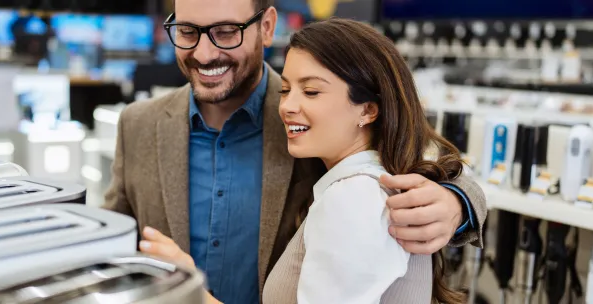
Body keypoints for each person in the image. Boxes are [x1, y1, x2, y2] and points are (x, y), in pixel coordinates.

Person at [103, 0, 487, 303]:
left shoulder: (313, 120)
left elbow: (433, 166)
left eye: (225, 32)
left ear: (266, 26)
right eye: (187, 31)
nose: (203, 54)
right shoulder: (138, 124)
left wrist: (456, 204)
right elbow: (115, 237)